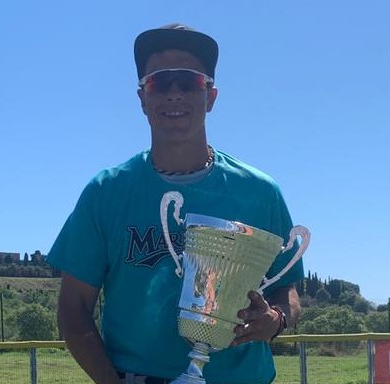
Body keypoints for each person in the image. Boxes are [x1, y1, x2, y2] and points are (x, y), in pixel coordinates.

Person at [47, 23, 305, 384]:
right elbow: (73, 310)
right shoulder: (106, 192)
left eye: (188, 82)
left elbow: (289, 286)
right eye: (158, 82)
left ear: (211, 96)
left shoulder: (259, 192)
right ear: (142, 98)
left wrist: (275, 318)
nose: (173, 94)